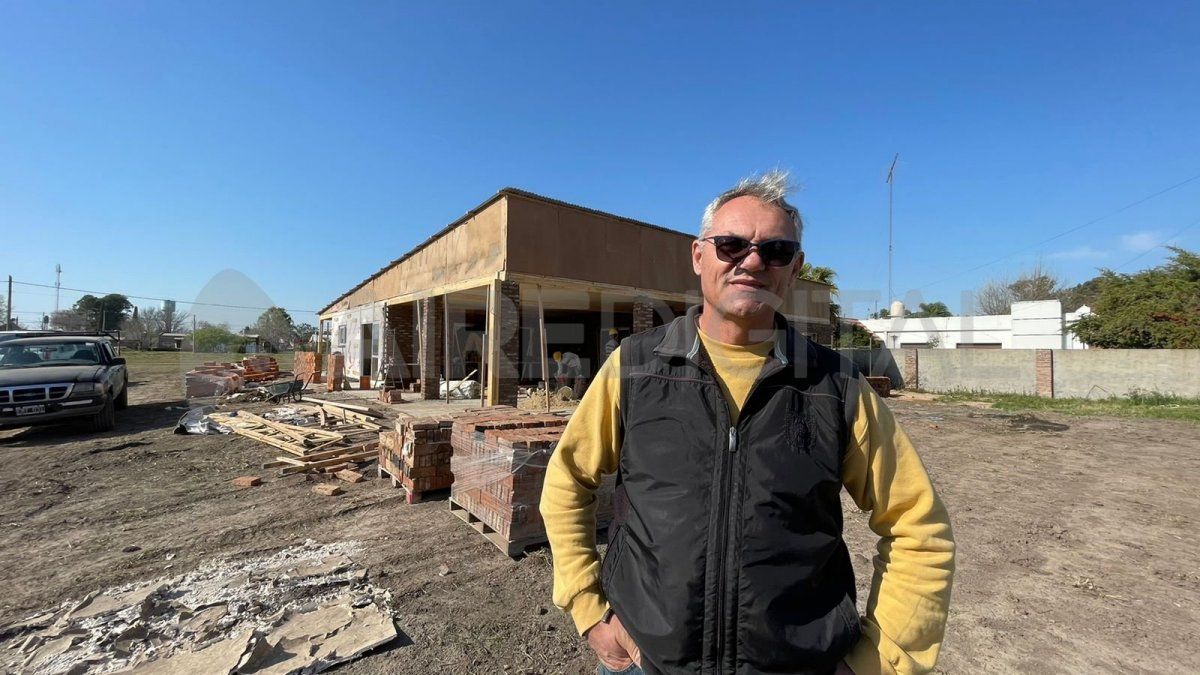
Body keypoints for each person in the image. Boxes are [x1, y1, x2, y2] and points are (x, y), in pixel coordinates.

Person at [540, 170, 955, 675]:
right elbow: (567, 479)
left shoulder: (836, 386)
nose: (753, 261)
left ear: (794, 268)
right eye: (732, 245)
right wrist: (589, 609)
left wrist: (878, 663)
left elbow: (918, 526)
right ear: (699, 256)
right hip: (644, 661)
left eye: (776, 251)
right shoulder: (635, 367)